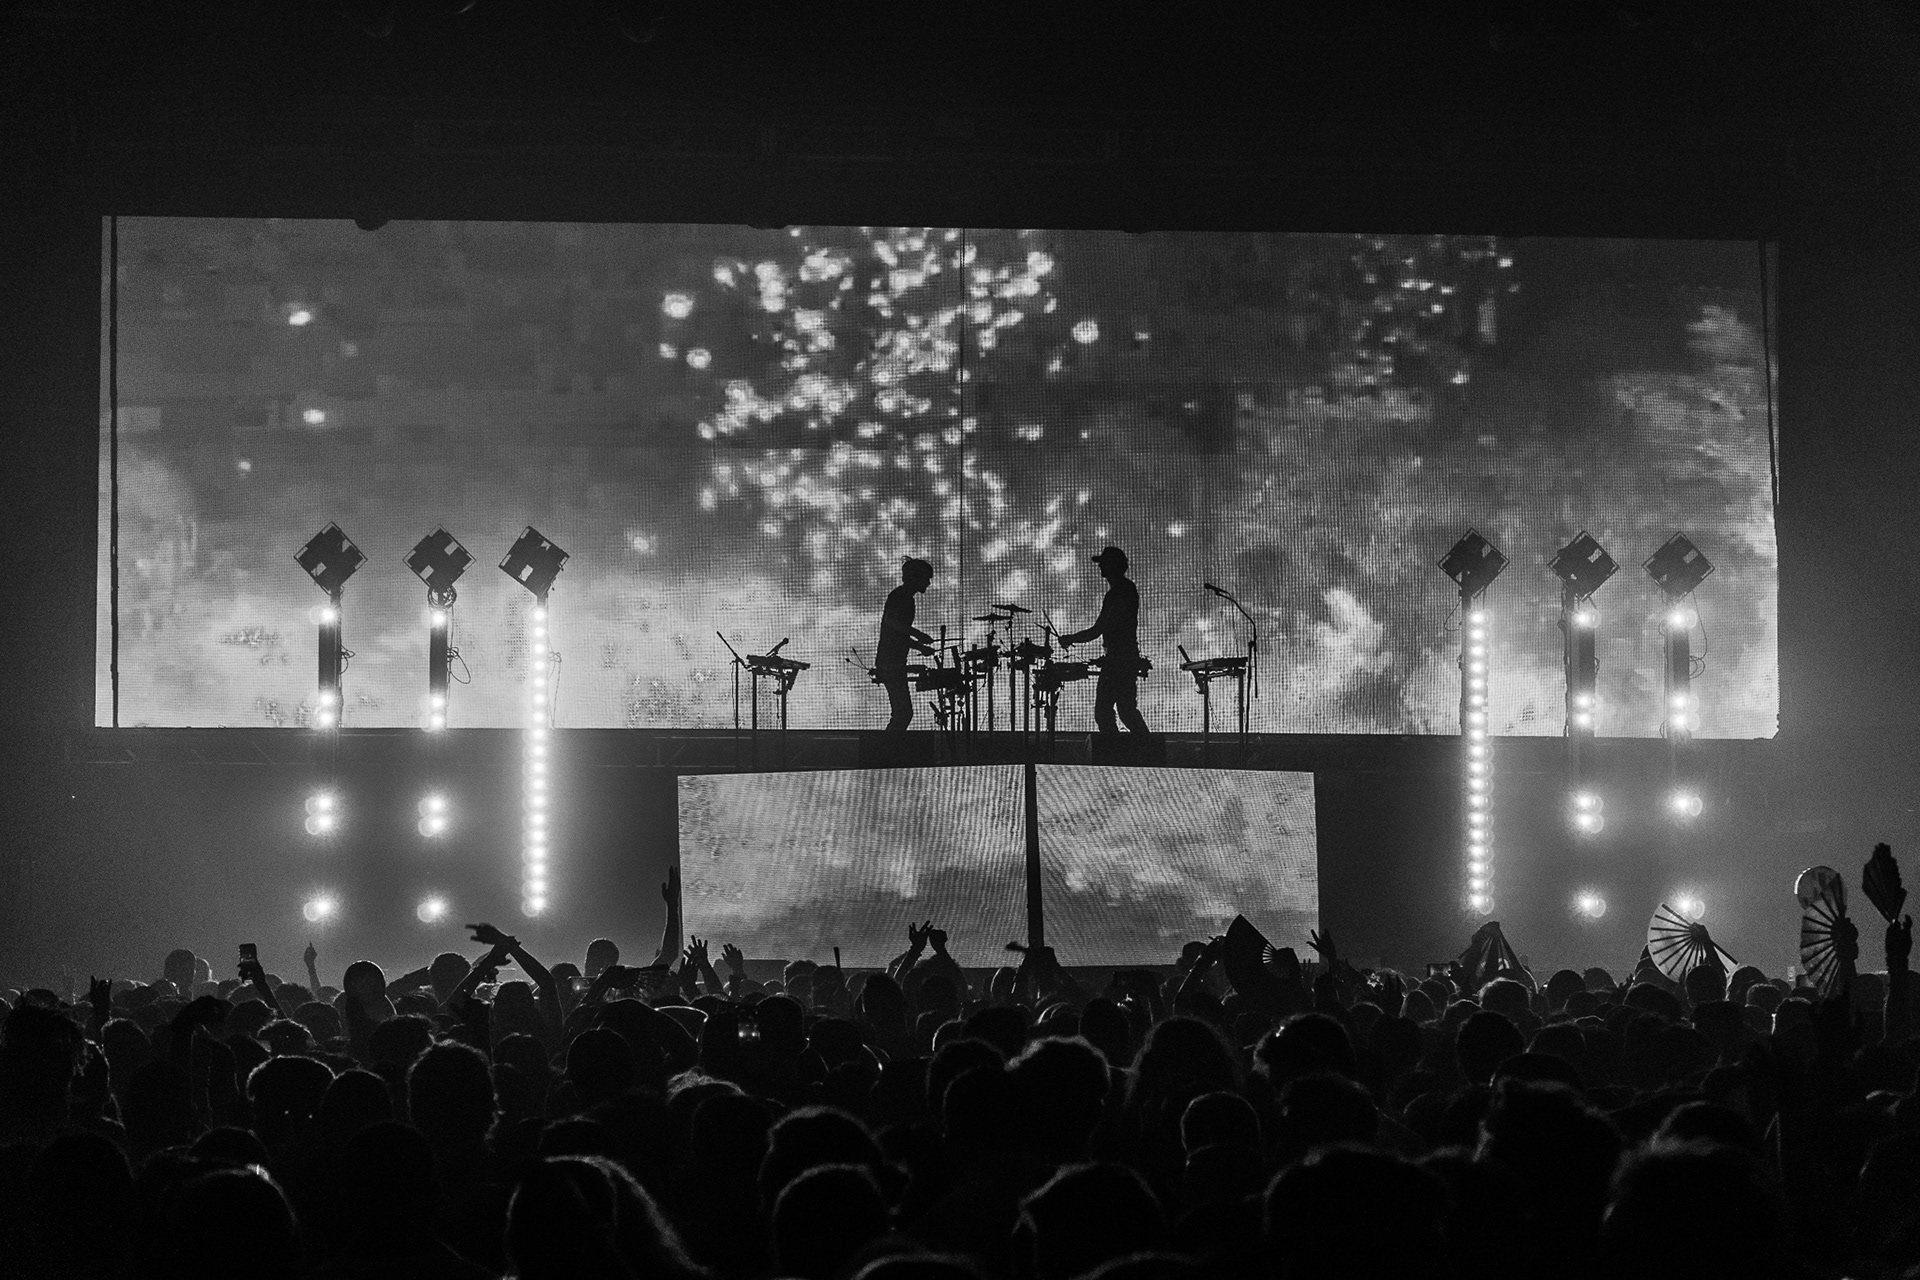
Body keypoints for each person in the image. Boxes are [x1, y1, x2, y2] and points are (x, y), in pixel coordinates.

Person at [1060, 545, 1150, 736]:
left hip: (1120, 660)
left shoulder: (1120, 592)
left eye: (1103, 563)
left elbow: (1100, 628)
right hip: (1122, 658)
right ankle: (1142, 748)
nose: (1100, 566)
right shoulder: (1123, 590)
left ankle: (1126, 748)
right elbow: (1102, 628)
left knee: (1110, 711)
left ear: (1113, 565)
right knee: (1123, 710)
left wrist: (1071, 638)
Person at [876, 557, 937, 733]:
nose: (928, 583)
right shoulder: (900, 596)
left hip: (892, 661)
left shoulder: (905, 597)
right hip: (890, 662)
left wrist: (920, 646)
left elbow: (898, 635)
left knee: (902, 713)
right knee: (903, 713)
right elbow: (892, 622)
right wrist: (919, 636)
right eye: (926, 578)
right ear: (916, 577)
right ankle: (886, 747)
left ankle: (888, 746)